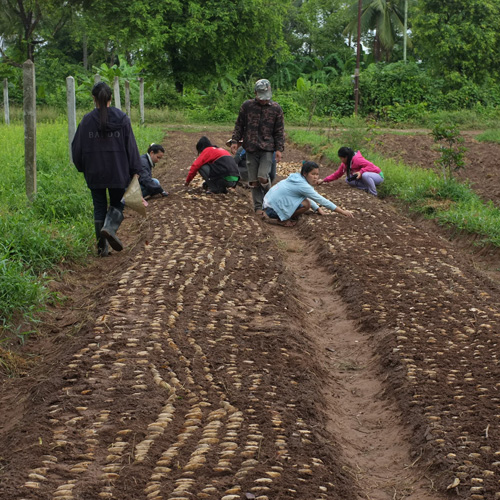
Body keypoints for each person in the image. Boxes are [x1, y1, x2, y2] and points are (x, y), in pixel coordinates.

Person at [72, 81, 142, 256]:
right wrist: (135, 170)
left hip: (94, 172)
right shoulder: (122, 119)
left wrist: (83, 168)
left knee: (99, 205)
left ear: (93, 98)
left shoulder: (87, 121)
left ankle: (102, 249)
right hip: (118, 171)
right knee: (118, 202)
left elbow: (76, 149)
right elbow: (131, 146)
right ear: (110, 98)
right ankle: (110, 228)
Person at [231, 79, 284, 216]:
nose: (264, 101)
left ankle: (270, 200)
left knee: (262, 177)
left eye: (266, 98)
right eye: (261, 98)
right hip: (251, 147)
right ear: (255, 93)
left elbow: (279, 131)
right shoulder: (247, 106)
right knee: (253, 181)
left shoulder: (276, 109)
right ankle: (258, 208)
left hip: (267, 148)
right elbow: (239, 125)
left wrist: (279, 149)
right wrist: (235, 141)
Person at [263, 161, 354, 227]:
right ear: (305, 174)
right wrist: (342, 212)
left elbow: (306, 195)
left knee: (304, 200)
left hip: (268, 205)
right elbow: (321, 200)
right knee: (306, 204)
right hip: (272, 210)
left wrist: (317, 209)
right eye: (313, 174)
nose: (315, 177)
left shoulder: (297, 177)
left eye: (317, 174)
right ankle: (282, 220)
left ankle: (285, 215)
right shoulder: (303, 185)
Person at [318, 147, 384, 196]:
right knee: (348, 179)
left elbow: (371, 166)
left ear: (346, 157)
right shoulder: (345, 164)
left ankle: (373, 194)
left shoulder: (357, 159)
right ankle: (367, 188)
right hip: (366, 177)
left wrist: (361, 172)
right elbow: (337, 174)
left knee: (365, 175)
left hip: (377, 176)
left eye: (341, 158)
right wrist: (324, 180)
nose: (341, 160)